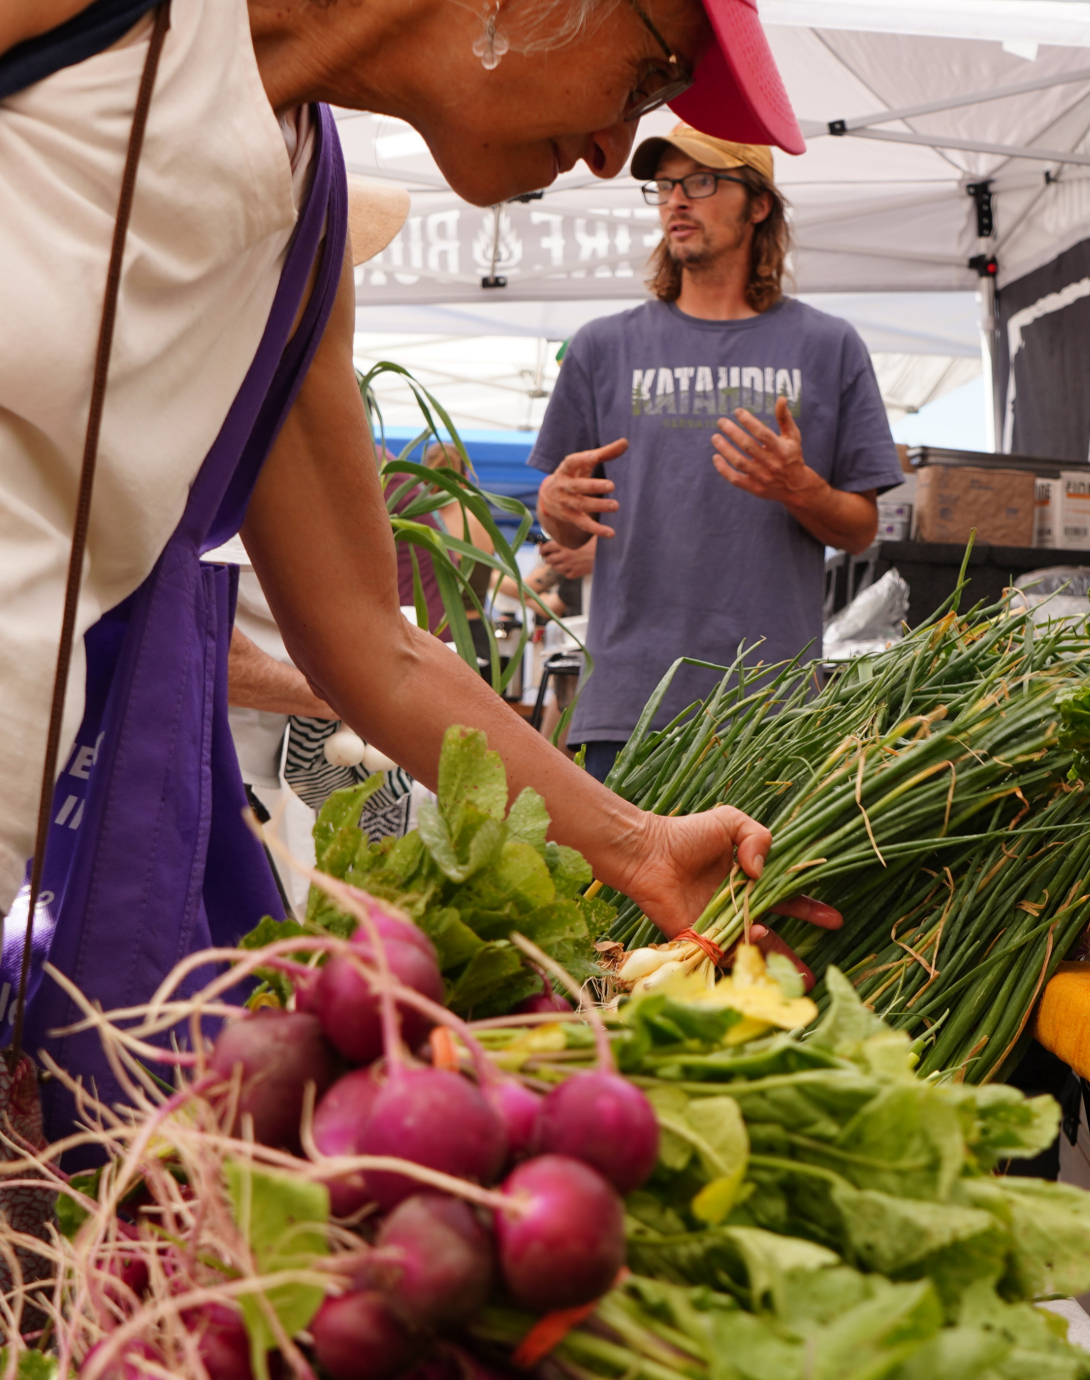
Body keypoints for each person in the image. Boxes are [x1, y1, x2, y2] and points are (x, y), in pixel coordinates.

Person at [0, 0, 831, 1128]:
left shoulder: (305, 235)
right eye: (643, 78)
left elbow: (369, 643)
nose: (605, 153)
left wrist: (637, 849)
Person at [531, 123, 905, 783]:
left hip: (771, 712)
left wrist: (800, 488)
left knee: (755, 892)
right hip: (629, 704)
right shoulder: (601, 348)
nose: (677, 200)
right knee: (615, 893)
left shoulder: (828, 346)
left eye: (701, 183)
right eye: (666, 185)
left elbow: (860, 528)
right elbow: (565, 526)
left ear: (758, 204)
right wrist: (551, 504)